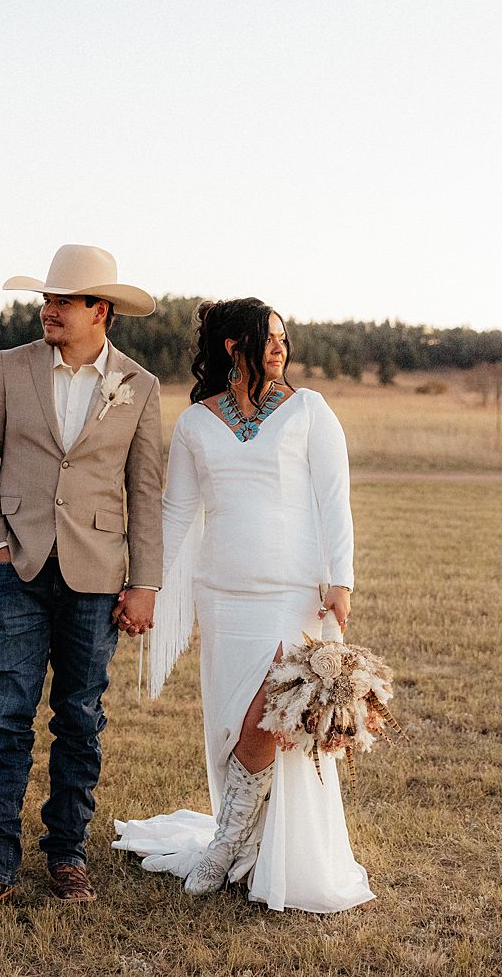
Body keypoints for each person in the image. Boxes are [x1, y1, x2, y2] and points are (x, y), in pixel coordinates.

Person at [110, 297, 374, 913]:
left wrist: (343, 578)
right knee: (233, 724)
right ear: (235, 347)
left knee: (273, 716)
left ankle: (226, 845)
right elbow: (177, 512)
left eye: (284, 337)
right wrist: (144, 582)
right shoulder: (197, 423)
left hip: (294, 596)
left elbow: (335, 498)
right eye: (269, 337)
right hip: (224, 596)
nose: (281, 347)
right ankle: (244, 840)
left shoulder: (310, 411)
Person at [0, 245, 165, 918]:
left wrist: (146, 583)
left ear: (99, 310)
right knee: (6, 716)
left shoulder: (140, 386)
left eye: (61, 302)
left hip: (98, 577)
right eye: (45, 300)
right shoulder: (9, 368)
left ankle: (67, 856)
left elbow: (147, 493)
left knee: (80, 719)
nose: (48, 311)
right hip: (18, 570)